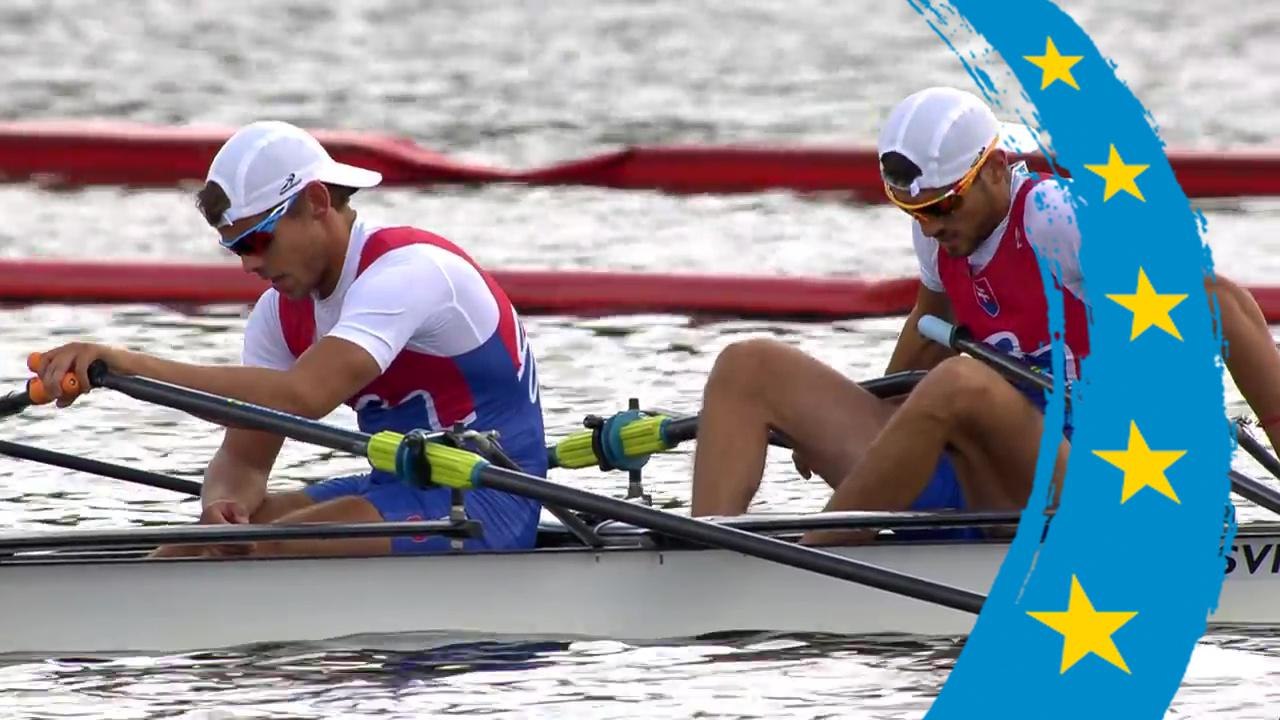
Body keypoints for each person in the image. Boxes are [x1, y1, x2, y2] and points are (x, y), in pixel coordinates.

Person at [687, 86, 1280, 545]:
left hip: (1092, 486)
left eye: (944, 204)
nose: (931, 224)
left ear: (995, 168)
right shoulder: (941, 238)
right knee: (747, 367)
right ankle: (701, 563)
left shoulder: (1056, 217)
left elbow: (1221, 304)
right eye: (912, 210)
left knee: (962, 383)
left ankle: (805, 563)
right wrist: (848, 435)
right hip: (978, 479)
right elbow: (920, 346)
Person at [32, 120, 547, 557]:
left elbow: (305, 397)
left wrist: (129, 365)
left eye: (258, 239)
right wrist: (223, 504)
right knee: (198, 545)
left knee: (266, 548)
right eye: (235, 248)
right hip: (400, 485)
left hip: (489, 498)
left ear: (317, 201)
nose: (249, 263)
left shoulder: (409, 272)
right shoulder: (279, 313)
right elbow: (245, 457)